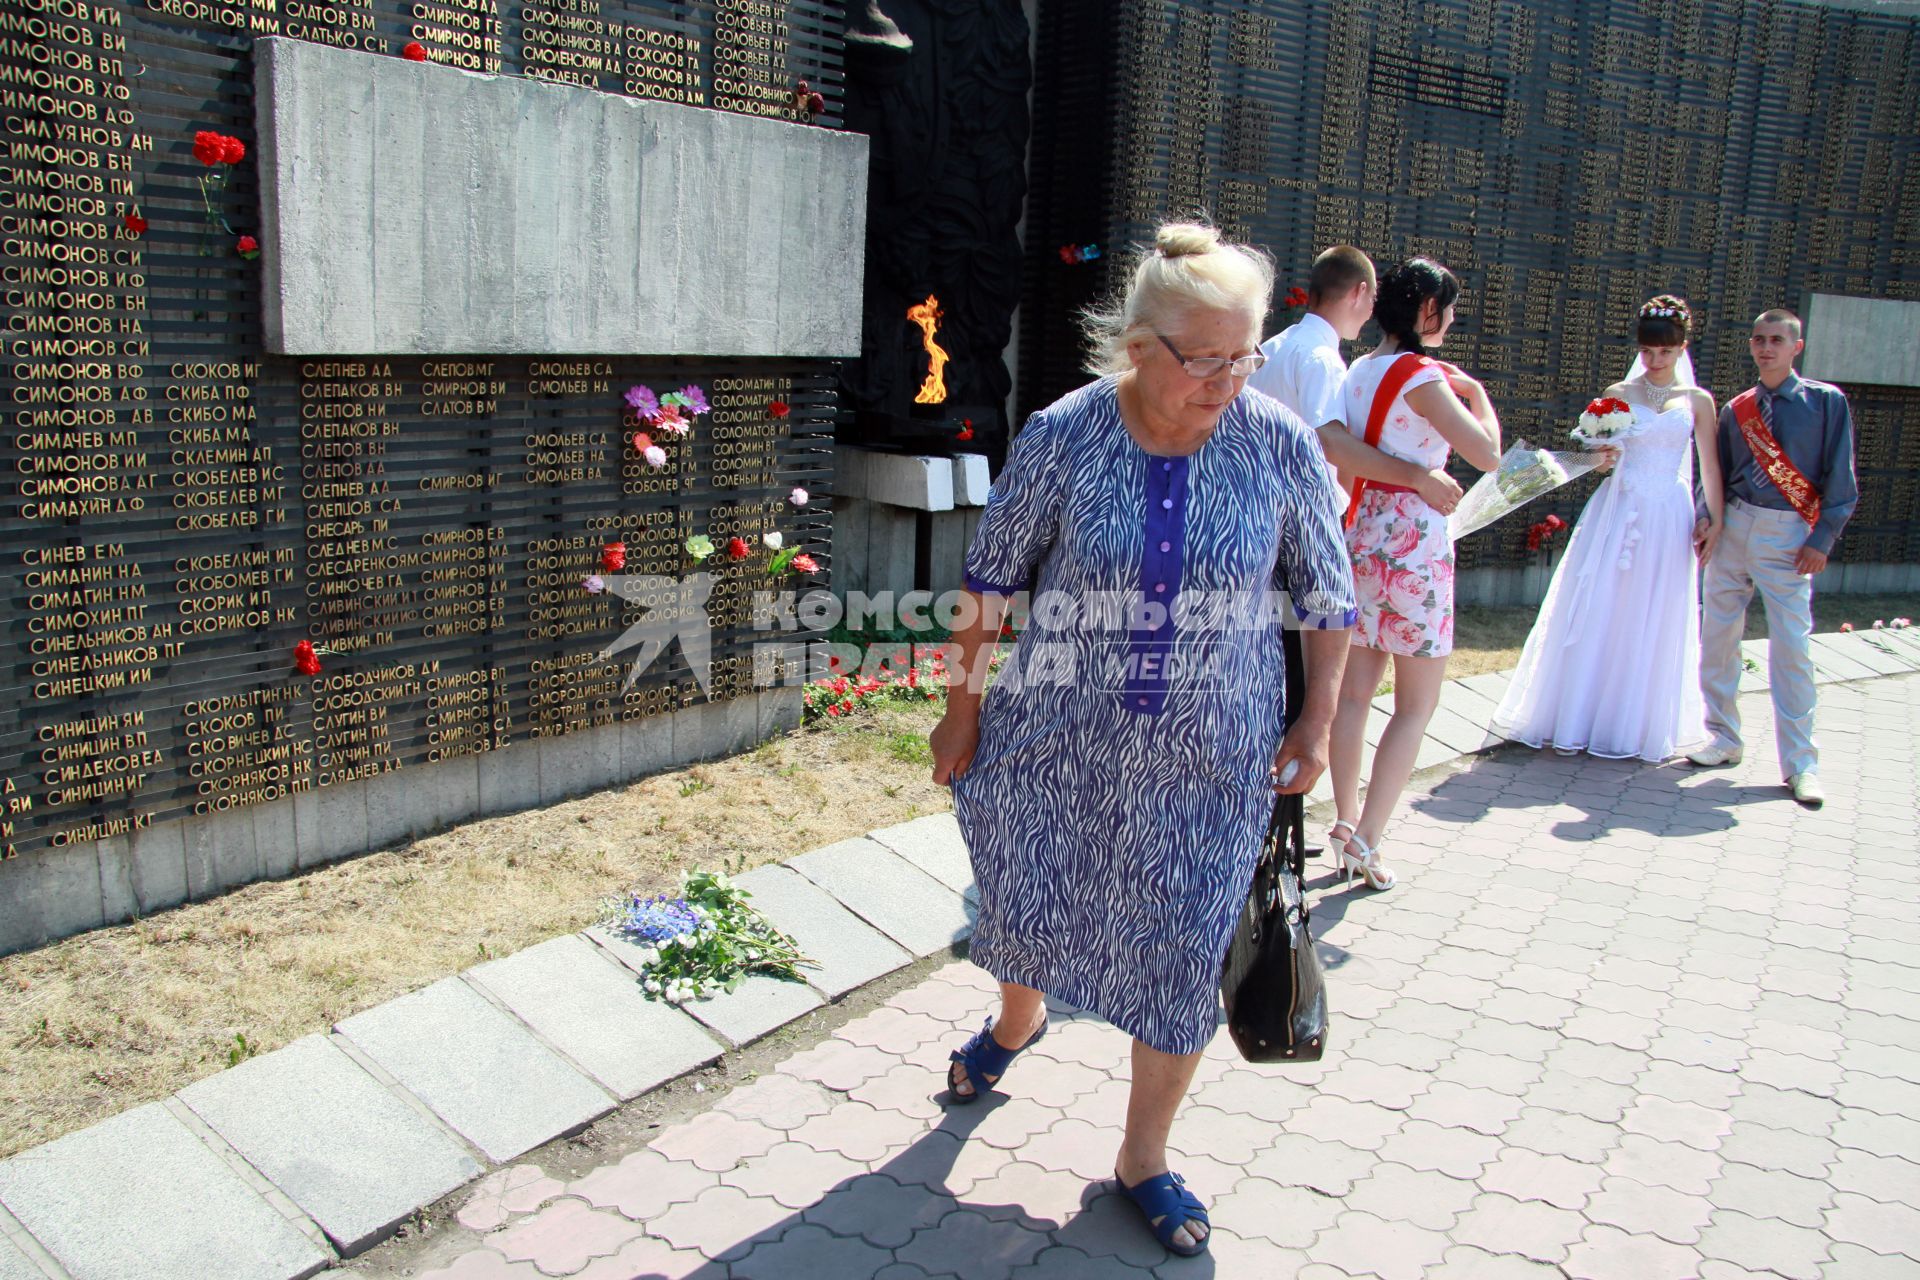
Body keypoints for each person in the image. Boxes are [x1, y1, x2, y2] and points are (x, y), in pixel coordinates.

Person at [927, 222, 1357, 1258]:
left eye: (1243, 354)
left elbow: (1326, 592)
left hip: (1213, 752)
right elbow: (991, 581)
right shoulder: (1066, 433)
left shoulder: (1277, 442)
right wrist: (963, 705)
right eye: (1202, 356)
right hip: (1056, 731)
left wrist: (1319, 714)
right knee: (1028, 891)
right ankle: (1018, 1018)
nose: (1225, 378)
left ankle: (1141, 1156)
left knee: (1180, 952)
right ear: (1139, 344)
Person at [1324, 258, 1502, 890]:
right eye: (1448, 308)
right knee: (1416, 704)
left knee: (1353, 694)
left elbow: (1340, 446)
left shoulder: (1359, 370)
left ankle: (1345, 822)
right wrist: (1475, 396)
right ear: (1428, 311)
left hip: (1360, 531)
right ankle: (1369, 839)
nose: (1452, 319)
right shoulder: (1426, 377)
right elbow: (1488, 454)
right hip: (1413, 543)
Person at [1492, 296, 1721, 761]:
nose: (1655, 361)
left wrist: (1712, 517)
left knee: (1651, 610)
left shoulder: (1697, 401)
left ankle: (1634, 722)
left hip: (1667, 513)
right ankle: (1578, 713)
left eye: (1666, 352)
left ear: (1682, 348)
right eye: (1649, 351)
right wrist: (1601, 457)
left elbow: (1711, 469)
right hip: (1620, 506)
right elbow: (1599, 461)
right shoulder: (1620, 391)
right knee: (1603, 601)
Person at [1689, 308, 1859, 807]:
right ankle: (1723, 738)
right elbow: (1713, 472)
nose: (1767, 348)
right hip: (1735, 527)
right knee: (1718, 636)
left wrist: (1822, 539)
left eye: (1777, 340)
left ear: (1796, 347)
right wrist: (1707, 516)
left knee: (1792, 649)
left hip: (1789, 535)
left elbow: (1840, 478)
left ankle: (1801, 764)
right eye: (1759, 339)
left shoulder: (1826, 403)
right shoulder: (1736, 409)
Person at [1249, 245, 1465, 518]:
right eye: (1372, 298)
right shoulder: (1321, 359)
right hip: (1293, 518)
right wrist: (1420, 478)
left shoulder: (1272, 347)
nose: (1372, 313)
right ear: (1359, 292)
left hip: (1259, 507)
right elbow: (1331, 442)